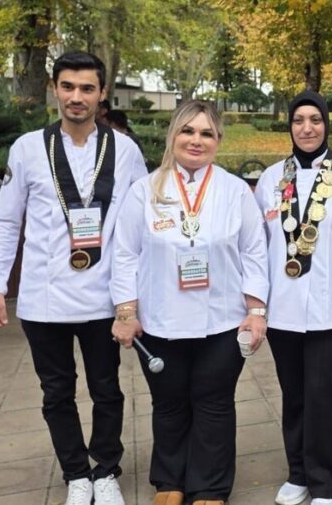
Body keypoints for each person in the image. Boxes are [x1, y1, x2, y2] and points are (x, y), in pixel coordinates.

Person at [0, 51, 148, 505]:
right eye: (69, 87)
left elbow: (140, 226)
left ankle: (106, 469)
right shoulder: (27, 148)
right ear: (55, 89)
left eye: (87, 88)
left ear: (101, 94)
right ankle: (76, 473)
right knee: (57, 392)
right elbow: (6, 222)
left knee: (107, 389)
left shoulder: (126, 150)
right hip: (44, 296)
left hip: (103, 297)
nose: (77, 97)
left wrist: (137, 297)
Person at [110, 100, 268, 505]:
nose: (196, 140)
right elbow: (124, 253)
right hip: (160, 321)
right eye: (188, 131)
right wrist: (126, 311)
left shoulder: (234, 191)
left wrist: (256, 311)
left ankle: (211, 487)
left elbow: (254, 253)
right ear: (173, 136)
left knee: (214, 404)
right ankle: (169, 481)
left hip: (223, 321)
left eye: (206, 133)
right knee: (168, 404)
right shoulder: (144, 190)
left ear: (217, 141)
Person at [254, 90, 332, 505]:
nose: (307, 128)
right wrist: (256, 305)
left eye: (315, 120)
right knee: (294, 392)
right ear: (289, 126)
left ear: (327, 124)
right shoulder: (270, 179)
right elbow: (258, 245)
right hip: (282, 309)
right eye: (299, 120)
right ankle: (298, 473)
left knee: (324, 393)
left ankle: (326, 484)